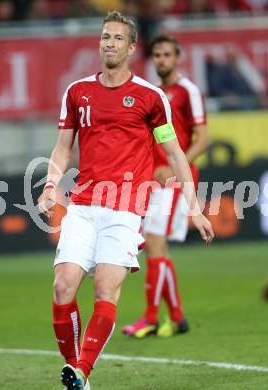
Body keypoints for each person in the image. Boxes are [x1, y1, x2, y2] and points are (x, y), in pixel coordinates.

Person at [38, 12, 214, 390]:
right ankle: (77, 371)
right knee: (62, 286)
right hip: (84, 205)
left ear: (132, 47)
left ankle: (82, 369)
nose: (110, 44)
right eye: (105, 37)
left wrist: (194, 208)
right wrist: (52, 183)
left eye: (118, 38)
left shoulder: (152, 98)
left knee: (105, 288)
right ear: (99, 43)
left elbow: (176, 153)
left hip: (126, 208)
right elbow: (62, 148)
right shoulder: (77, 92)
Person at [122, 35, 211, 338]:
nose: (161, 60)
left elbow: (204, 138)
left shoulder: (188, 91)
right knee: (156, 249)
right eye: (156, 55)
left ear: (177, 58)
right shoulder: (154, 93)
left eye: (166, 55)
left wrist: (176, 165)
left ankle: (150, 317)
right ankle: (177, 317)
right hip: (156, 179)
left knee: (155, 242)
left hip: (176, 179)